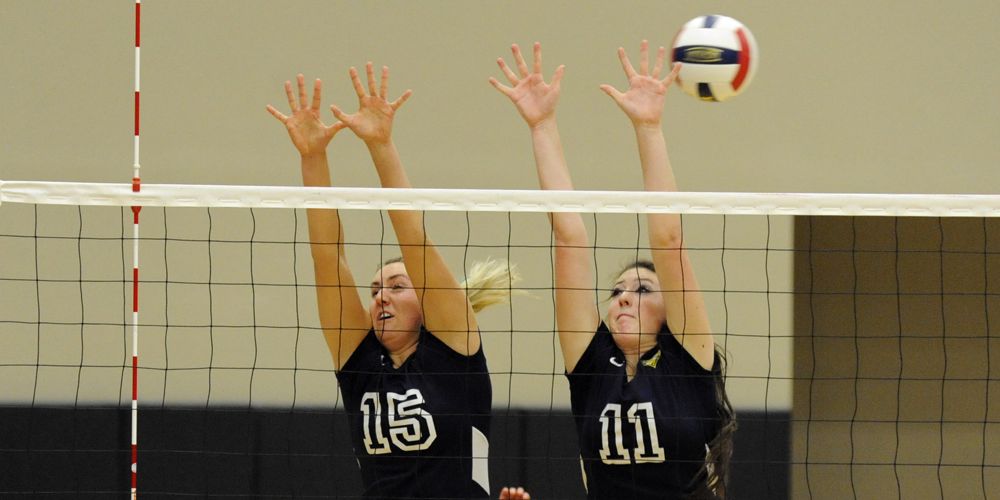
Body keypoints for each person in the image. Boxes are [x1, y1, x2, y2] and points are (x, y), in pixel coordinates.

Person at [490, 42, 735, 499]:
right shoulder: (591, 367)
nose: (622, 297)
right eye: (618, 290)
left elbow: (668, 241)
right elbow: (569, 238)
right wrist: (542, 125)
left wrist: (649, 128)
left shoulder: (689, 363)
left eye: (643, 290)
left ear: (670, 313)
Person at [268, 64, 514, 499]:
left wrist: (380, 144)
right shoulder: (360, 364)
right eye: (376, 289)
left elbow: (414, 239)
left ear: (428, 304)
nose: (381, 297)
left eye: (397, 286)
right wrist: (313, 157)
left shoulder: (454, 349)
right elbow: (329, 258)